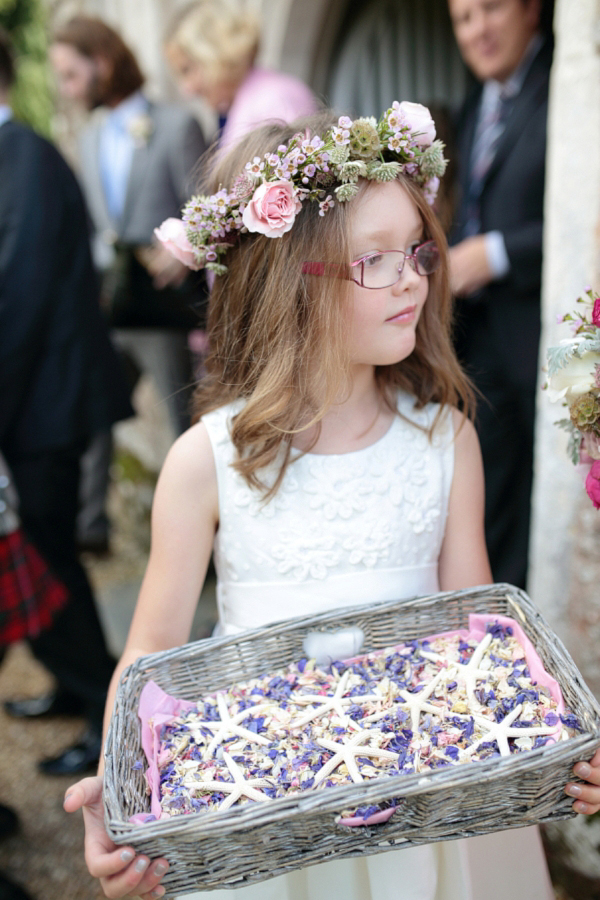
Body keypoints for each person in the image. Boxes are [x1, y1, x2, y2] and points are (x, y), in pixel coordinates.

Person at [59, 103, 600, 900]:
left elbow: (483, 639)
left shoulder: (445, 440)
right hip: (268, 821)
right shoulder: (204, 462)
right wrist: (122, 792)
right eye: (374, 260)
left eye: (416, 252)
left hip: (434, 809)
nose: (412, 277)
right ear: (292, 283)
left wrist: (560, 747)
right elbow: (149, 656)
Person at [0, 28, 133, 775]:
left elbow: (14, 303)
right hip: (31, 398)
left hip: (42, 404)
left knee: (47, 562)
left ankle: (103, 708)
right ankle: (71, 684)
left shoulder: (24, 158)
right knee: (41, 555)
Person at [49, 16, 208, 553]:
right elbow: (98, 227)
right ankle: (90, 529)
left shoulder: (175, 124)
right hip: (106, 307)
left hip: (162, 308)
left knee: (181, 422)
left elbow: (204, 212)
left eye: (72, 75)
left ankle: (197, 541)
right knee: (90, 411)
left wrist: (180, 251)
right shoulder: (89, 137)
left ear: (104, 62)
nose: (67, 90)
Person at [447, 0, 552, 589]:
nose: (478, 29)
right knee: (496, 506)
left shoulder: (570, 89)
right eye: (463, 18)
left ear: (531, 9)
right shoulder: (474, 102)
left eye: (490, 9)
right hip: (481, 345)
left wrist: (498, 253)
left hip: (546, 341)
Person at [164, 0, 317, 151]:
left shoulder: (274, 100)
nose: (187, 89)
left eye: (187, 69)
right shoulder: (243, 103)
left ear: (214, 52)